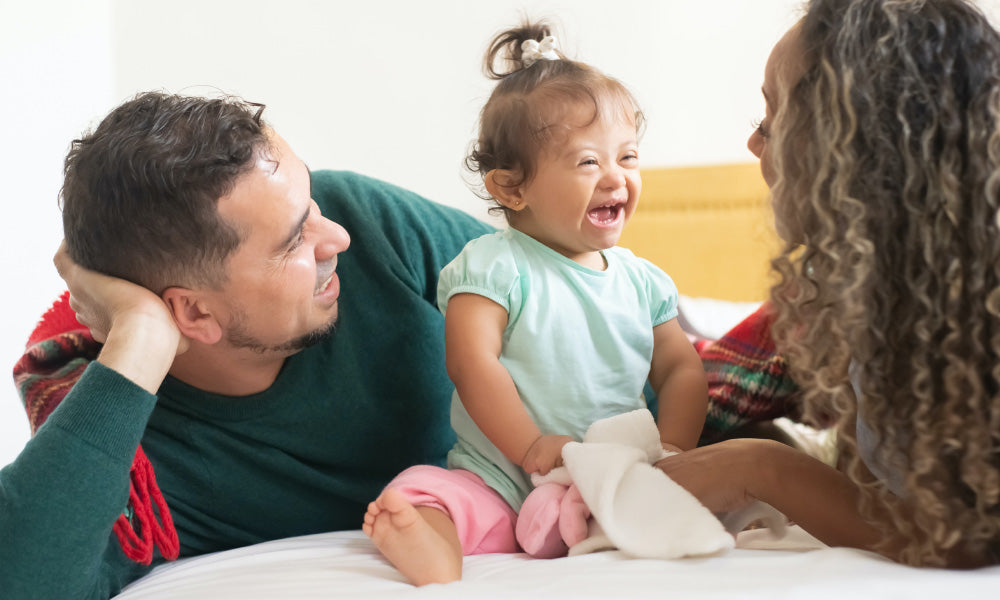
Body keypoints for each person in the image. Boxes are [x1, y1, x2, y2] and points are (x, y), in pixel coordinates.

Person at [0, 92, 495, 599]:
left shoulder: (373, 227)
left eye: (312, 206)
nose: (337, 238)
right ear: (193, 313)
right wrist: (141, 333)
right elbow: (24, 582)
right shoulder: (142, 457)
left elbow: (569, 300)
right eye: (292, 241)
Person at [362, 22, 708, 585]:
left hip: (610, 476)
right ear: (511, 188)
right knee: (428, 492)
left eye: (628, 157)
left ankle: (585, 524)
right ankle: (434, 545)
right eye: (588, 162)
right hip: (501, 473)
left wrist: (674, 450)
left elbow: (682, 368)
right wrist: (528, 446)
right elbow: (472, 363)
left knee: (697, 495)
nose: (616, 177)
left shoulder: (645, 282)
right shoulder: (494, 266)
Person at [657, 0, 1000, 568]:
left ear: (854, 141)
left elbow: (960, 537)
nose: (754, 145)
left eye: (770, 119)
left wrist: (761, 468)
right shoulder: (861, 291)